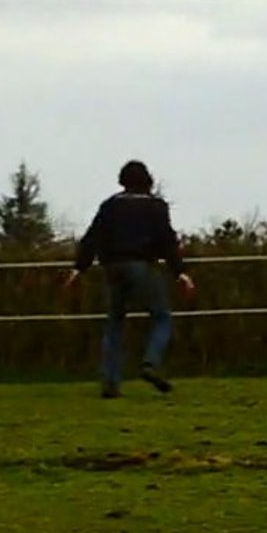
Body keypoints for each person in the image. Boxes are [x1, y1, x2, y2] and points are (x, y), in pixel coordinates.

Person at [64, 160, 195, 398]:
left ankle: (111, 382)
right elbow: (167, 240)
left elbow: (92, 237)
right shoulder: (156, 206)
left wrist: (78, 268)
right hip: (142, 265)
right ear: (147, 181)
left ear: (122, 181)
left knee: (114, 322)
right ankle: (150, 362)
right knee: (161, 316)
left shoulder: (110, 206)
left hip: (112, 267)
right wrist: (180, 272)